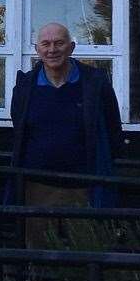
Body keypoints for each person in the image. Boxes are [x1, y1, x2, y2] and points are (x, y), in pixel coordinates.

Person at [9, 22, 122, 249]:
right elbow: (20, 129)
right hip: (36, 188)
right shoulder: (24, 86)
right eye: (46, 44)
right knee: (37, 256)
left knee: (86, 253)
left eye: (59, 43)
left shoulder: (94, 83)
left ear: (71, 47)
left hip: (84, 187)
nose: (52, 50)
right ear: (37, 49)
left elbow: (112, 129)